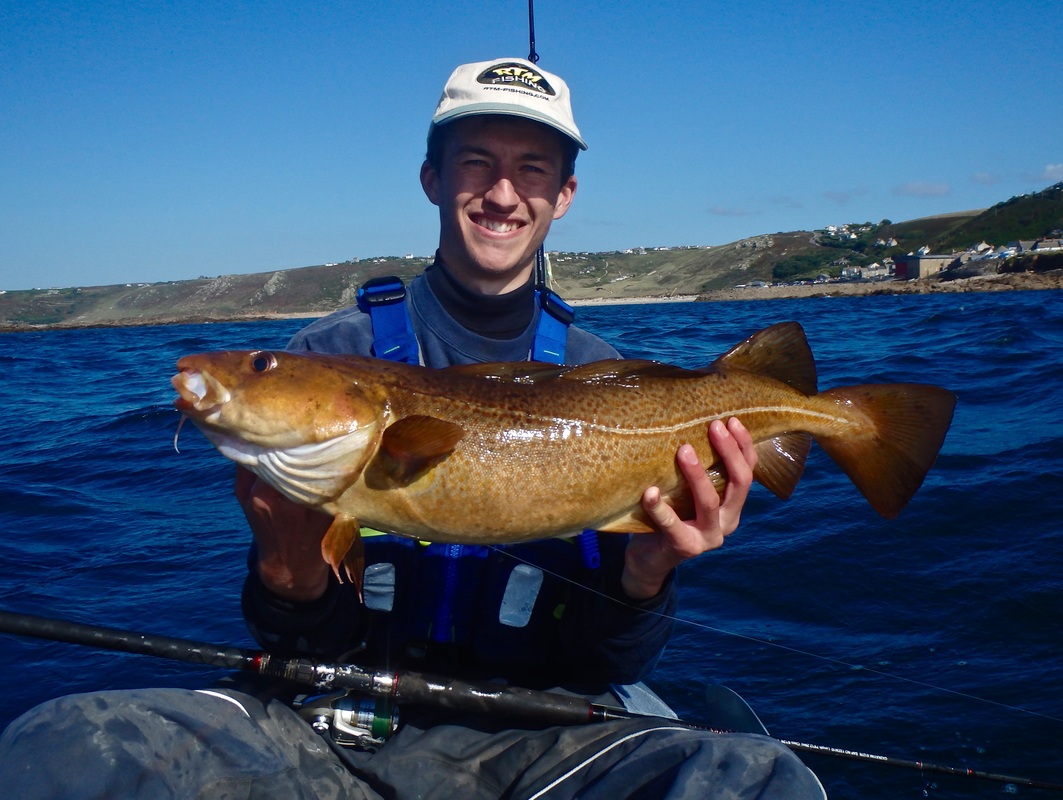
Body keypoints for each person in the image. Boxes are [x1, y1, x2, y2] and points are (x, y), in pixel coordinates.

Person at [0, 58, 825, 799]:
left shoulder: (602, 373)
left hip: (540, 736)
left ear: (563, 195)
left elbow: (605, 670)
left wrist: (648, 570)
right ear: (431, 178)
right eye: (476, 162)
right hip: (335, 725)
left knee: (759, 781)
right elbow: (295, 639)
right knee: (67, 748)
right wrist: (289, 565)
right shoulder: (333, 350)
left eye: (531, 169)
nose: (502, 193)